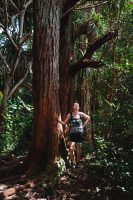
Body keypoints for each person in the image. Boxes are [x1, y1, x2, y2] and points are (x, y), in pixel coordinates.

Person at [59, 102, 90, 168]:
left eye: (77, 106)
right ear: (73, 107)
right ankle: (73, 162)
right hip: (72, 134)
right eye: (75, 105)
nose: (76, 107)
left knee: (79, 149)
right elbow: (64, 123)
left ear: (78, 107)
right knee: (71, 148)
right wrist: (58, 120)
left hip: (80, 133)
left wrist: (83, 125)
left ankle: (78, 163)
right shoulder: (70, 115)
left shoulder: (80, 114)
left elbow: (88, 117)